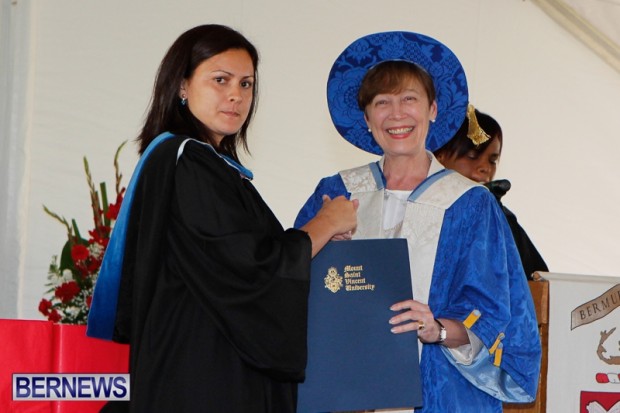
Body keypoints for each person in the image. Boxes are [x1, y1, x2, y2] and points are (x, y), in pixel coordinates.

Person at [86, 24, 357, 413]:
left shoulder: (195, 162)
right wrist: (326, 223)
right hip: (202, 373)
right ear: (182, 85)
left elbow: (235, 258)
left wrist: (320, 237)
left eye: (246, 84)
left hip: (197, 363)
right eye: (220, 80)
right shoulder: (190, 162)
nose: (236, 95)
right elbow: (251, 266)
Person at [294, 31, 541, 413]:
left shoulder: (470, 204)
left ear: (433, 109)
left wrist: (438, 328)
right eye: (382, 102)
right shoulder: (336, 192)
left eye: (409, 99)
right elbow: (290, 285)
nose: (396, 114)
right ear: (366, 117)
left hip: (441, 393)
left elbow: (495, 312)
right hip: (344, 392)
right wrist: (324, 248)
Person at [433, 105, 549, 279]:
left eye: (492, 161)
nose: (485, 168)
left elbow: (538, 281)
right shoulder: (415, 206)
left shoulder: (501, 218)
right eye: (473, 155)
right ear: (440, 155)